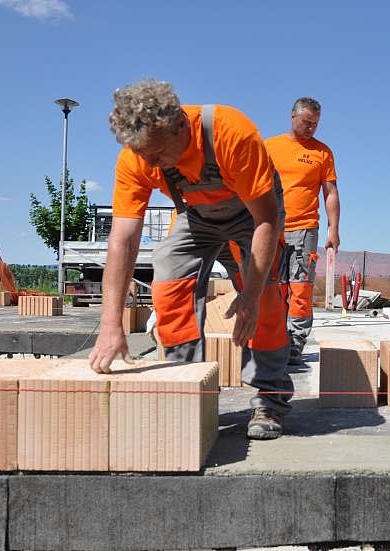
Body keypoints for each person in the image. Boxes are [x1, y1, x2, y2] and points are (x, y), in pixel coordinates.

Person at [88, 79, 292, 440]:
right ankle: (185, 385)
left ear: (180, 125)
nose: (150, 163)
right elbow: (123, 241)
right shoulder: (137, 157)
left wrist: (250, 296)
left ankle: (269, 399)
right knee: (169, 278)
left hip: (253, 214)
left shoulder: (231, 133)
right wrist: (110, 325)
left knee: (265, 299)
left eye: (157, 153)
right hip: (197, 216)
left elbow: (266, 219)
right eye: (143, 155)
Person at [265, 97, 339, 364]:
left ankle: (295, 345)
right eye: (307, 122)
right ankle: (273, 341)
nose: (311, 128)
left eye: (315, 124)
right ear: (293, 116)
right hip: (270, 229)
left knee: (301, 289)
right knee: (273, 289)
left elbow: (330, 193)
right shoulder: (270, 147)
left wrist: (333, 229)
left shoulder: (322, 152)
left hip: (305, 229)